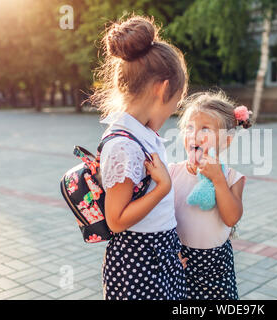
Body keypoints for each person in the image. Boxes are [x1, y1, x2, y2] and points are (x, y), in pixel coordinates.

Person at [90, 15, 189, 300]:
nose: (173, 111)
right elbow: (117, 220)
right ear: (161, 89)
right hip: (140, 265)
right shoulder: (124, 146)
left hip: (159, 255)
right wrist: (163, 188)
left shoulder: (144, 134)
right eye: (175, 102)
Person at [168, 91, 251, 300]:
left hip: (216, 266)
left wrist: (218, 180)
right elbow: (162, 218)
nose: (194, 134)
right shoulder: (172, 173)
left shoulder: (232, 177)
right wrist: (170, 253)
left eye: (205, 128)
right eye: (189, 127)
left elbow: (231, 218)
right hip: (180, 261)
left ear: (226, 141)